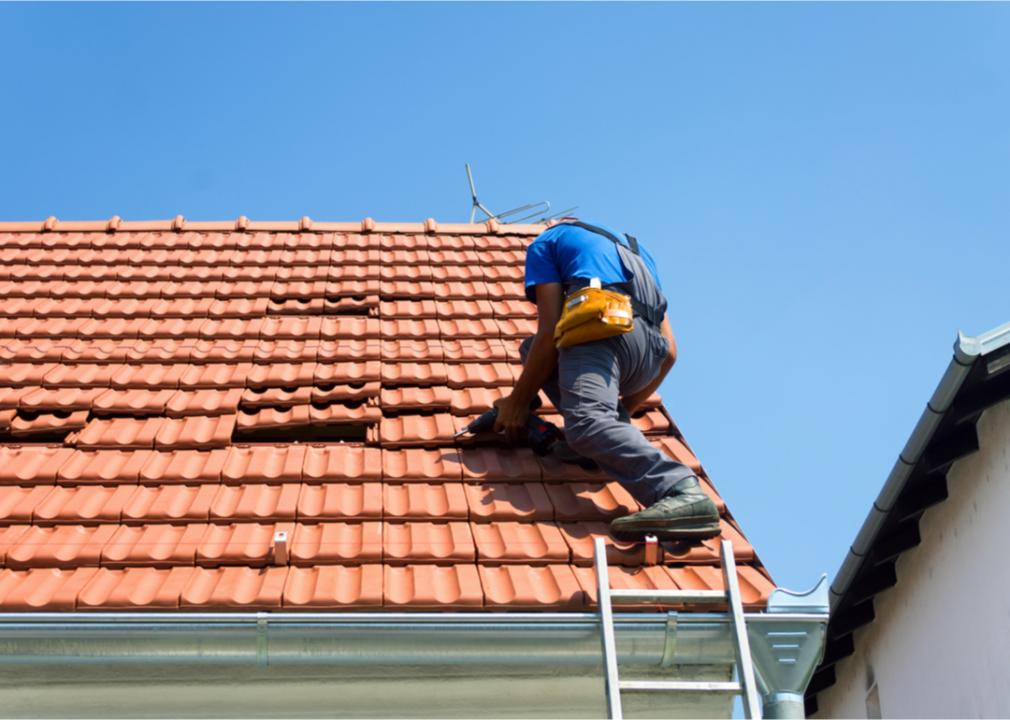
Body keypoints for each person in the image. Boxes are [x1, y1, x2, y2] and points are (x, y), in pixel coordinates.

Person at [492, 219, 720, 540]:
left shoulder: (545, 244)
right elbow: (670, 353)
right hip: (647, 356)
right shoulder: (638, 253)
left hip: (603, 330)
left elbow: (548, 335)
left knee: (584, 423)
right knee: (532, 351)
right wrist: (621, 412)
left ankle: (680, 492)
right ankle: (603, 438)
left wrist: (516, 403)